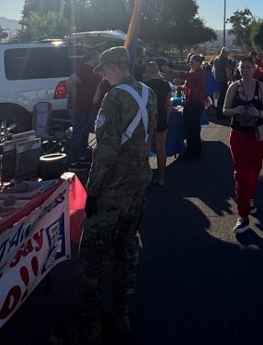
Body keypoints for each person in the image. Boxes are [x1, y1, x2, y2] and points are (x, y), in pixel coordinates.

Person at [65, 45, 157, 340]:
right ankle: (122, 313)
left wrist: (92, 191)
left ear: (114, 66)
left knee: (93, 256)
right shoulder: (148, 93)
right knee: (127, 246)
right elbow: (147, 140)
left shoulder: (114, 97)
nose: (102, 75)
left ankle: (90, 324)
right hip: (137, 182)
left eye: (103, 69)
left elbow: (105, 151)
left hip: (112, 188)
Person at [223, 56, 263, 234]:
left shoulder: (261, 87)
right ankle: (243, 216)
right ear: (238, 69)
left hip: (256, 136)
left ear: (254, 69)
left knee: (254, 170)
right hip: (237, 136)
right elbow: (224, 110)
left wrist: (257, 112)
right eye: (242, 67)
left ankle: (250, 197)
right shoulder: (233, 87)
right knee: (241, 174)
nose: (245, 70)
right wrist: (235, 111)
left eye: (248, 67)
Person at [67, 49, 103, 166]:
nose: (99, 59)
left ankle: (82, 155)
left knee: (85, 131)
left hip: (88, 107)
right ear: (92, 57)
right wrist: (75, 94)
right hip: (79, 107)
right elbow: (71, 81)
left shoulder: (93, 71)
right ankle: (73, 160)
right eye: (98, 57)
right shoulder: (83, 69)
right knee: (78, 131)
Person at [170, 54, 206, 158]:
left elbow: (188, 76)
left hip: (196, 103)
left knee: (193, 128)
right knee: (188, 127)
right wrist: (180, 85)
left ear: (199, 63)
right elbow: (187, 84)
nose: (190, 64)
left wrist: (170, 71)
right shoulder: (193, 72)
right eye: (189, 62)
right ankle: (191, 148)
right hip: (189, 102)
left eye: (192, 62)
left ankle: (194, 152)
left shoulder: (200, 72)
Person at [144, 61, 172, 186]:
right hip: (161, 117)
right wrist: (167, 117)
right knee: (161, 149)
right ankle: (161, 177)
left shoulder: (144, 85)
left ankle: (144, 177)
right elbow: (169, 103)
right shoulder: (165, 84)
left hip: (148, 118)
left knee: (146, 148)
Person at [213, 47, 234, 119]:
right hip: (223, 80)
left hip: (217, 80)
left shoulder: (216, 58)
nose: (227, 55)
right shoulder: (225, 59)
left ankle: (218, 113)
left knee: (220, 97)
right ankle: (221, 113)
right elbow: (227, 70)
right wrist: (230, 79)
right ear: (224, 52)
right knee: (223, 97)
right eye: (227, 53)